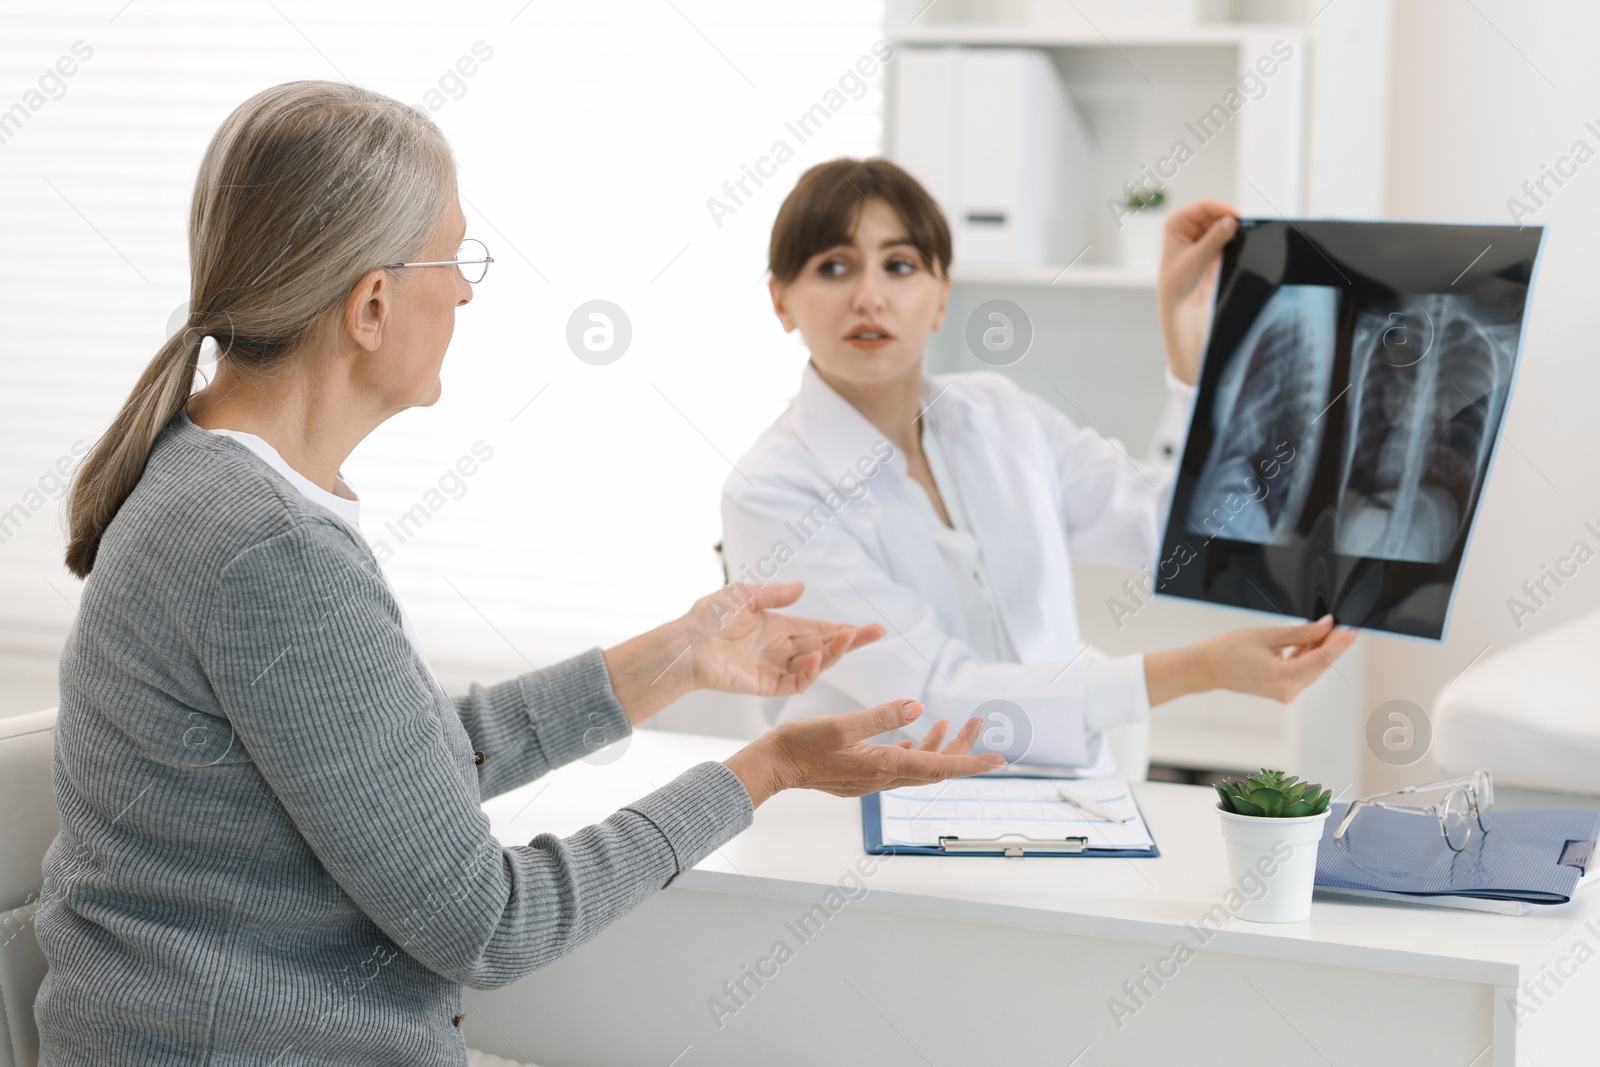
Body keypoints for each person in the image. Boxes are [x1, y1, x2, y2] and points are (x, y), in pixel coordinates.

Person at [39, 84, 1004, 1067]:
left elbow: (403, 774)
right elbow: (490, 923)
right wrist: (767, 769)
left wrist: (679, 653)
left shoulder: (220, 479)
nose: (463, 291)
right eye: (453, 258)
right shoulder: (267, 547)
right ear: (371, 303)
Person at [719, 157, 1358, 772]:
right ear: (781, 301)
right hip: (863, 829)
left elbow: (1182, 528)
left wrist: (1192, 364)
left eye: (900, 265)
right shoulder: (772, 494)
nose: (869, 296)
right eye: (833, 267)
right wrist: (1199, 670)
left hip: (1060, 808)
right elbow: (934, 702)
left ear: (940, 296)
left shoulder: (1000, 417)